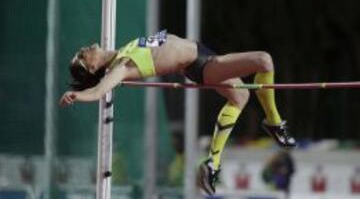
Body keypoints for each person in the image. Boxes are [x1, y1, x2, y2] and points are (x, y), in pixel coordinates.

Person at [59, 30, 296, 196]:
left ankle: (212, 164)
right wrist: (79, 95)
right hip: (201, 64)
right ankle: (274, 121)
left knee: (241, 96)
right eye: (81, 56)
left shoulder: (121, 53)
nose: (83, 49)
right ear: (92, 67)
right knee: (263, 60)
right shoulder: (120, 68)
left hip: (201, 54)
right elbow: (100, 90)